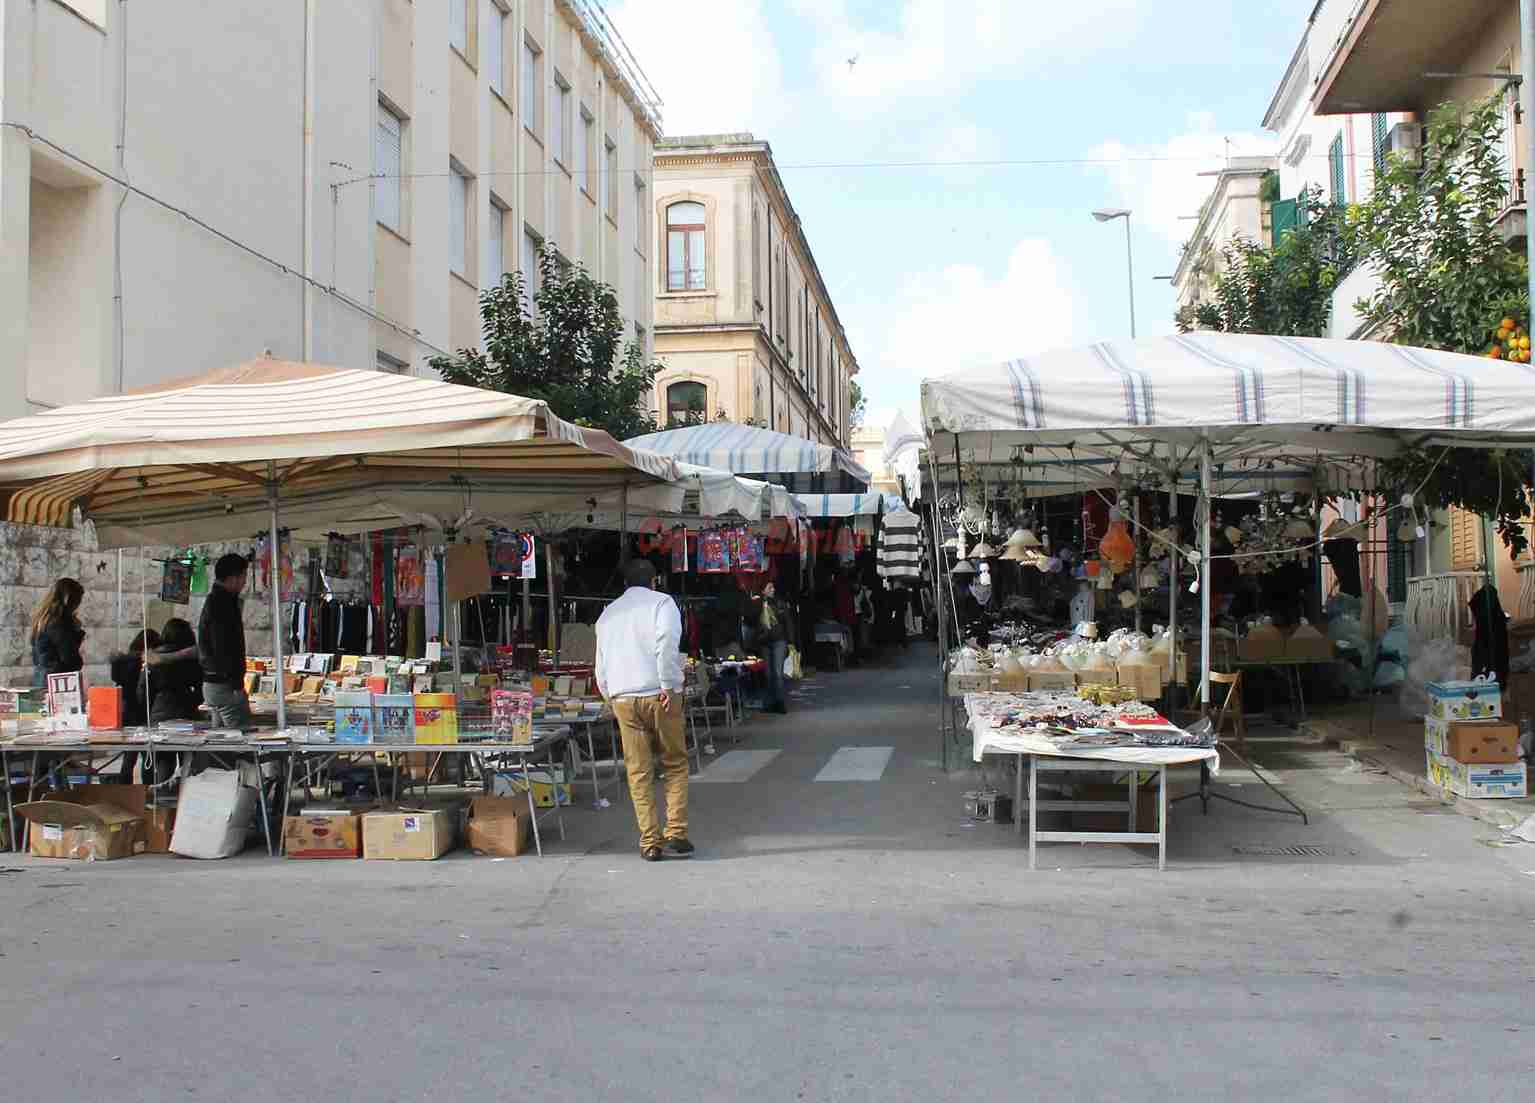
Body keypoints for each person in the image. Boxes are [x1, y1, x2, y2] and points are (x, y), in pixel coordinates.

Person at [595, 558, 690, 863]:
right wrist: (667, 684)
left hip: (622, 696)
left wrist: (610, 697)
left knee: (638, 771)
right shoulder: (662, 604)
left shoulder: (608, 613)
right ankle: (675, 832)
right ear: (654, 581)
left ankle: (650, 842)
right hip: (658, 692)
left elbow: (600, 665)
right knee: (674, 763)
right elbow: (666, 644)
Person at [199, 553, 251, 729]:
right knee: (240, 739)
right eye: (244, 576)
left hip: (214, 683)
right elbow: (224, 646)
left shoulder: (217, 600)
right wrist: (236, 684)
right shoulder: (222, 604)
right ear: (233, 577)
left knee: (220, 740)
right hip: (224, 684)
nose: (245, 582)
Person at [30, 578, 85, 688]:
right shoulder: (58, 622)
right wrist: (77, 634)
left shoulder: (43, 619)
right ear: (69, 600)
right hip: (57, 682)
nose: (77, 606)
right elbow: (69, 656)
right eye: (77, 600)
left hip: (41, 678)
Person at [147, 618, 205, 724]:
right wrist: (192, 702)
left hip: (159, 711)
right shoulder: (192, 658)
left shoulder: (152, 658)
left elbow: (144, 691)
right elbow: (201, 687)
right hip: (187, 711)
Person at [752, 581, 790, 714]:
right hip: (764, 642)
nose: (773, 589)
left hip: (779, 640)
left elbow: (787, 621)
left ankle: (780, 702)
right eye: (770, 587)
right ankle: (770, 703)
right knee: (768, 674)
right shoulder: (757, 603)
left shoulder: (779, 602)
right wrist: (760, 602)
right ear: (763, 591)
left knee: (778, 673)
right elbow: (751, 617)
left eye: (773, 587)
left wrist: (790, 642)